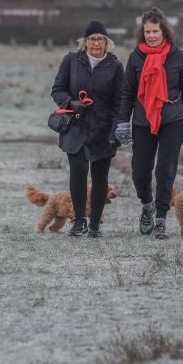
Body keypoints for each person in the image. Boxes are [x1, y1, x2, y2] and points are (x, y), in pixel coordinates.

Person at [114, 7, 183, 240]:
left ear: (164, 32)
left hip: (172, 119)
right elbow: (127, 92)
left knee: (165, 171)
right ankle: (147, 206)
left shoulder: (179, 56)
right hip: (143, 120)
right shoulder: (135, 57)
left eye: (155, 31)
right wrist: (123, 122)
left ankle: (161, 218)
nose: (151, 36)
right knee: (139, 173)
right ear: (142, 33)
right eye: (147, 32)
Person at [50, 21, 124, 238]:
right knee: (78, 173)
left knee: (100, 178)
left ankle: (94, 224)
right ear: (84, 42)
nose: (96, 43)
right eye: (92, 39)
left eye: (101, 39)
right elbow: (57, 90)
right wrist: (71, 103)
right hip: (76, 127)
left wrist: (116, 130)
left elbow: (121, 102)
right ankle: (79, 220)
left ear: (107, 42)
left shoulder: (115, 66)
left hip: (103, 129)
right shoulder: (71, 61)